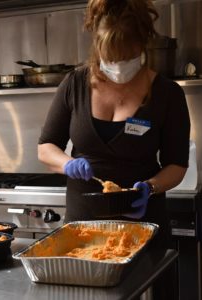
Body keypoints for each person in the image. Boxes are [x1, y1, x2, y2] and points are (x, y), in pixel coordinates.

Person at [38, 0, 190, 248]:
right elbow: (46, 147)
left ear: (143, 44)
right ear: (97, 46)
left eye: (127, 57)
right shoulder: (75, 84)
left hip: (143, 229)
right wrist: (68, 164)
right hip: (82, 230)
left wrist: (151, 188)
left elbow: (177, 164)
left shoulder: (167, 94)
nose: (118, 66)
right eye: (111, 57)